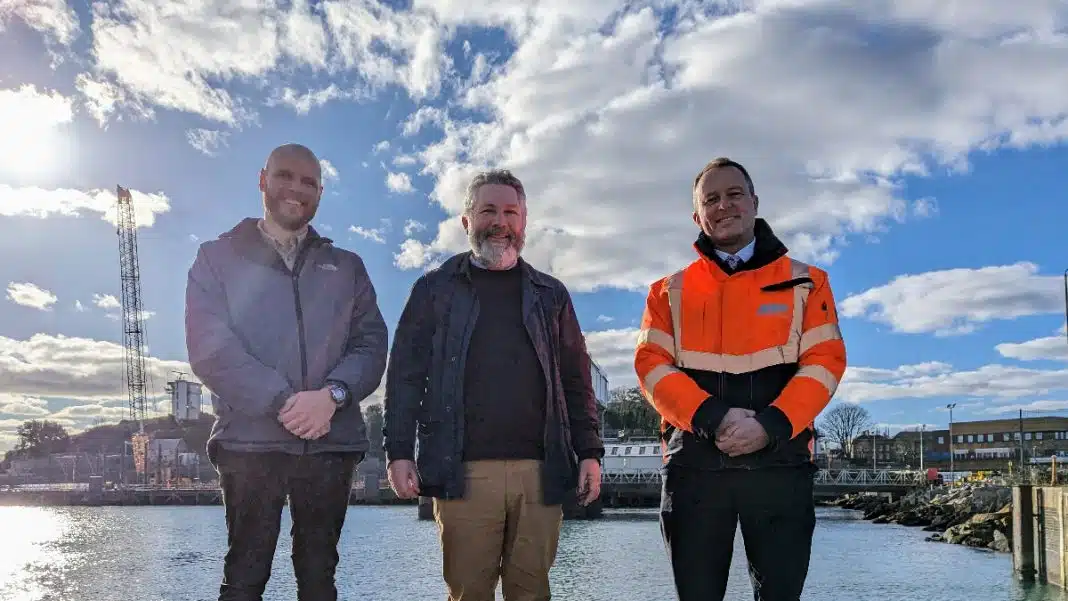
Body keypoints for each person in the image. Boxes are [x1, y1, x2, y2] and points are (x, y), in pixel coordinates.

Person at [383, 168, 604, 601]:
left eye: (510, 212)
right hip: (462, 473)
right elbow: (405, 377)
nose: (499, 221)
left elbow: (577, 382)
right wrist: (397, 452)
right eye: (487, 210)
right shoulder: (432, 290)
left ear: (524, 221)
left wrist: (591, 452)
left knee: (533, 593)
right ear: (467, 221)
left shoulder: (552, 295)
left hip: (541, 472)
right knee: (468, 594)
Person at [634, 157, 847, 601]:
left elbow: (824, 362)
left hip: (779, 464)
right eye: (711, 199)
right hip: (694, 466)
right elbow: (652, 367)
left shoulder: (808, 283)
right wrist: (713, 417)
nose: (723, 205)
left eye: (733, 194)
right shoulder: (666, 292)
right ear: (698, 216)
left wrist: (769, 426)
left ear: (754, 202)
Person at [185, 143, 389, 601]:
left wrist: (332, 395)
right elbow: (209, 348)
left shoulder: (348, 267)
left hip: (331, 444)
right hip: (249, 443)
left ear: (320, 192)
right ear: (262, 180)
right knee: (244, 577)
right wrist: (281, 401)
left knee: (319, 578)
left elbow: (372, 345)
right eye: (285, 176)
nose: (296, 189)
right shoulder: (215, 258)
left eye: (308, 182)